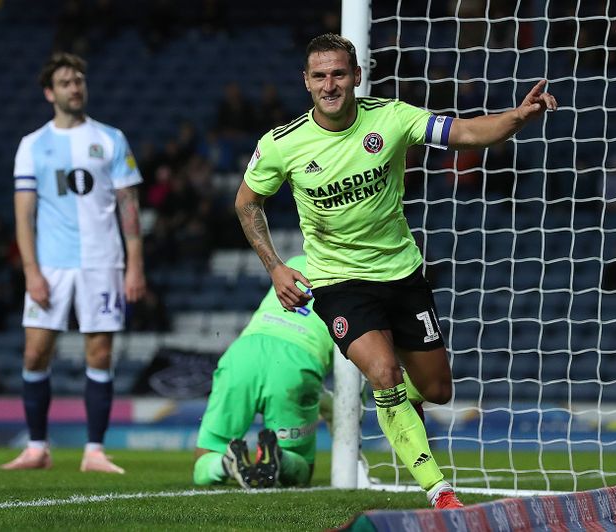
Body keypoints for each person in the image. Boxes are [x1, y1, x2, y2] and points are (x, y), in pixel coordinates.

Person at [234, 33, 557, 509]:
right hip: (338, 282)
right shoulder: (283, 145)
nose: (330, 84)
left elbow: (465, 133)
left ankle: (391, 406)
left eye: (339, 74)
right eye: (320, 75)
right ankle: (440, 490)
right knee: (384, 371)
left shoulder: (391, 117)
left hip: (402, 274)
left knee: (436, 390)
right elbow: (246, 203)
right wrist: (276, 267)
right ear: (306, 82)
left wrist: (517, 117)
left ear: (357, 76)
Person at [1, 52, 146, 474]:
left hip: (103, 262)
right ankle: (36, 448)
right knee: (34, 353)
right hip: (51, 265)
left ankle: (94, 451)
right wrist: (31, 270)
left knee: (99, 354)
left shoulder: (112, 138)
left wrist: (135, 264)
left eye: (79, 80)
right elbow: (23, 214)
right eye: (65, 82)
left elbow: (129, 207)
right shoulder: (32, 145)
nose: (75, 87)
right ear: (50, 93)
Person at [193, 255, 333, 489]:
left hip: (244, 352)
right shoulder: (361, 275)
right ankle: (279, 455)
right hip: (297, 360)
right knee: (300, 472)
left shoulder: (296, 260)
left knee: (205, 457)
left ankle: (226, 464)